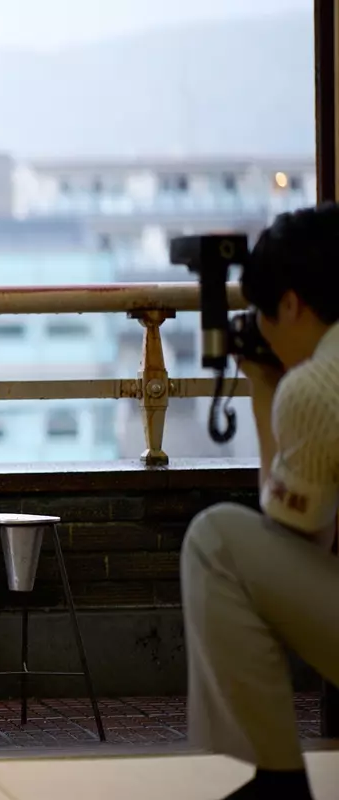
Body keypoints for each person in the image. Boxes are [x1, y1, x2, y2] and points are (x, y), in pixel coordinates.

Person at [180, 202, 339, 800]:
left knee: (216, 541)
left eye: (265, 315)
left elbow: (297, 528)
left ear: (292, 304)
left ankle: (278, 779)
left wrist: (265, 389)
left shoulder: (317, 385)